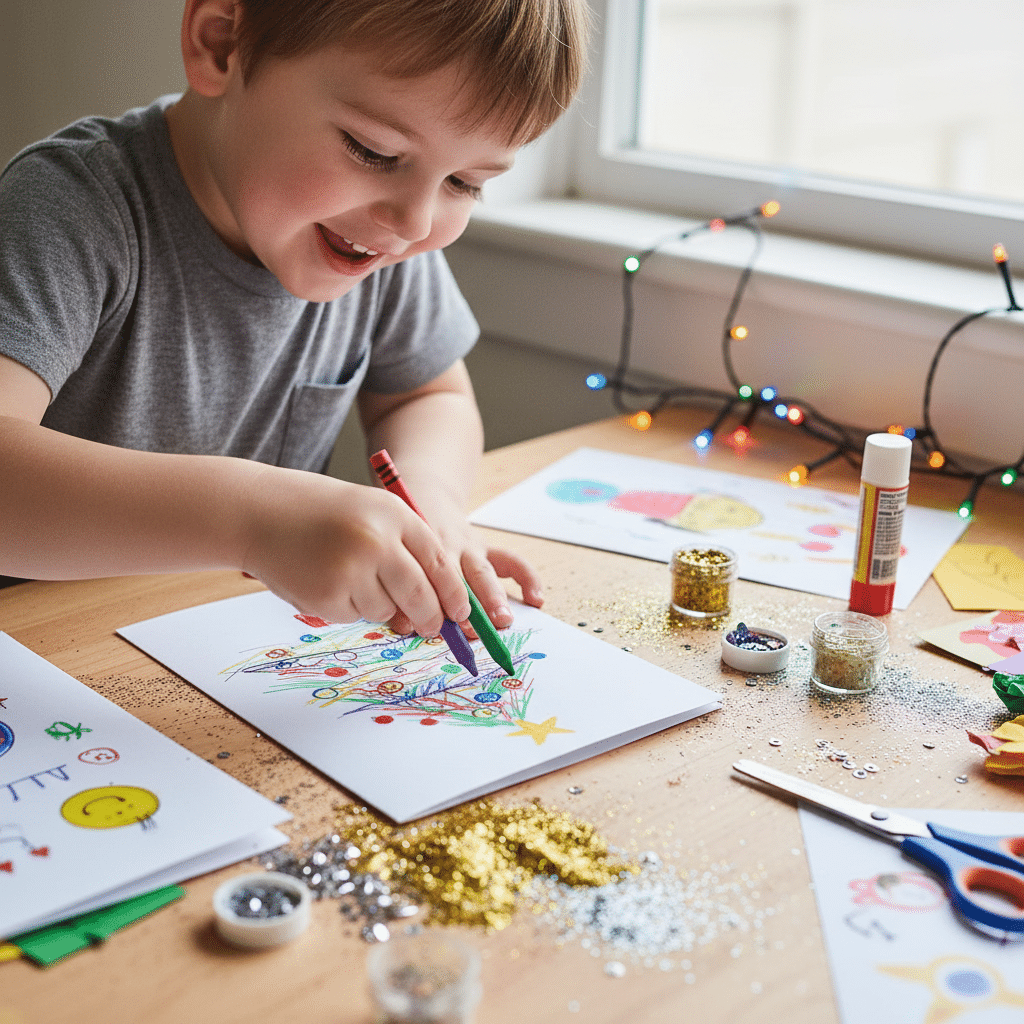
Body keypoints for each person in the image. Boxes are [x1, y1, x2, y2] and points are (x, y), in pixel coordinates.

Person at [0, 0, 589, 639]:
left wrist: (431, 514)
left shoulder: (374, 245)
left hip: (201, 645)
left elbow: (428, 394)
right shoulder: (72, 208)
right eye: (373, 151)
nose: (414, 222)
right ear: (223, 44)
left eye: (466, 183)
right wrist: (255, 521)